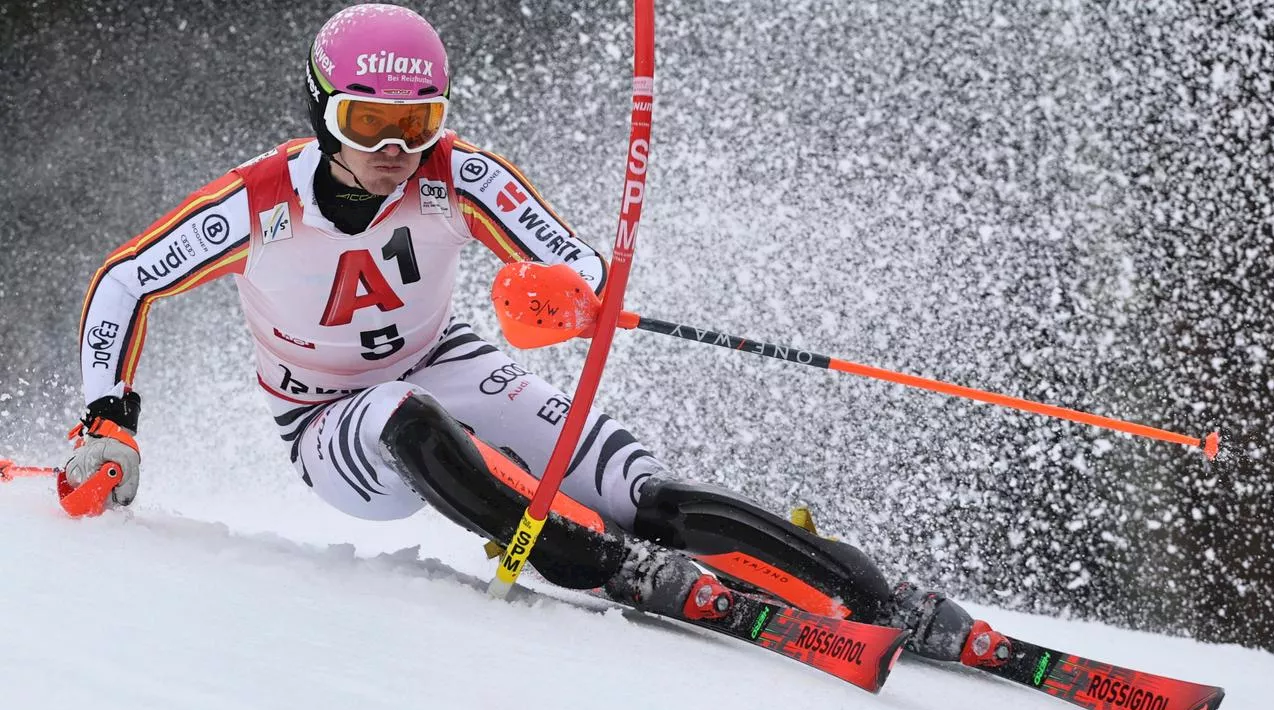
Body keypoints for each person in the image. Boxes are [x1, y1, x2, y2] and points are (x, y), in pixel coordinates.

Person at [64, 3, 1006, 665]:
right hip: (328, 422)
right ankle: (592, 563)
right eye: (368, 122)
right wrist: (107, 423)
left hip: (453, 359)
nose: (394, 149)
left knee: (632, 484)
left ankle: (872, 593)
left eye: (416, 123)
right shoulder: (257, 202)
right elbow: (123, 282)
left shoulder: (458, 176)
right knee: (405, 413)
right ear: (321, 111)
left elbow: (579, 264)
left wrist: (565, 298)